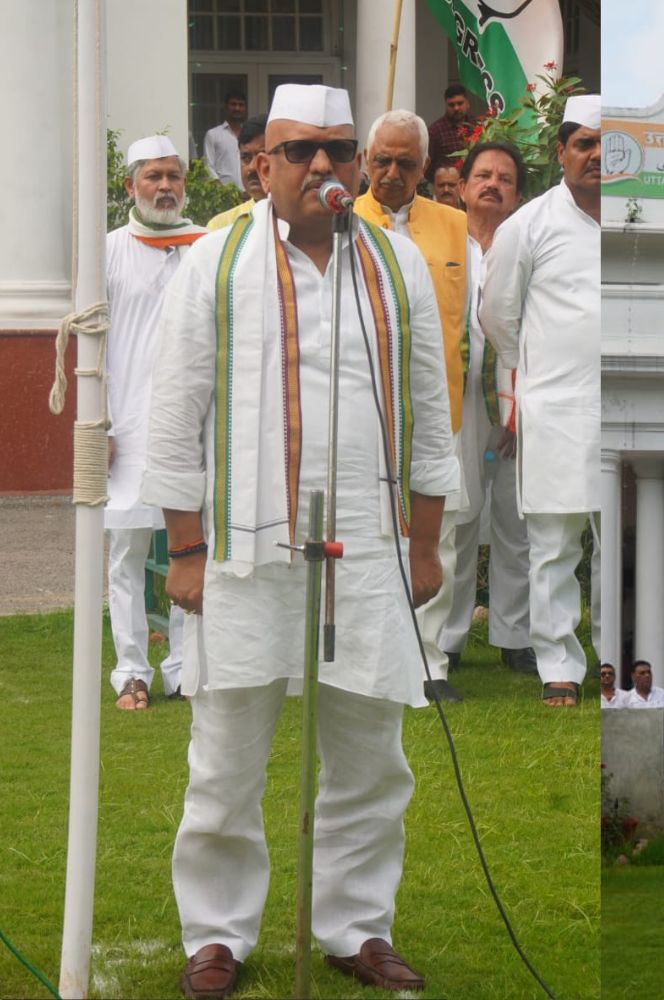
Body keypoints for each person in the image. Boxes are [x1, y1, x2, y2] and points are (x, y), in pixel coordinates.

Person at [146, 83, 455, 998]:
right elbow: (176, 410)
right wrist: (187, 548)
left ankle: (357, 927)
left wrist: (429, 543)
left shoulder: (395, 264)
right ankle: (216, 935)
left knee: (371, 752)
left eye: (339, 149)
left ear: (359, 163)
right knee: (227, 751)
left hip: (368, 546)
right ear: (263, 164)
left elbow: (430, 410)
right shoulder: (215, 258)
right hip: (245, 549)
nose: (323, 166)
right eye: (301, 151)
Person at [353, 108, 486, 704]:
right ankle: (367, 653)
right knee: (365, 529)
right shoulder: (341, 221)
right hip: (362, 406)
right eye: (381, 160)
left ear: (425, 167)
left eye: (405, 163)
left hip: (441, 406)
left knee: (443, 533)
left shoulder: (455, 227)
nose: (391, 172)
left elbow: (476, 322)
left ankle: (431, 663)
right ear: (363, 162)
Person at [479, 95, 600, 706]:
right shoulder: (528, 225)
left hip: (625, 410)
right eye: (584, 143)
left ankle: (611, 661)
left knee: (620, 537)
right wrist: (538, 377)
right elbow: (499, 314)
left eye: (610, 143)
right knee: (554, 542)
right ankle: (558, 665)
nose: (598, 154)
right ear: (561, 153)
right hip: (557, 406)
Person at [104, 135, 201, 710]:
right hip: (128, 427)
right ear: (130, 186)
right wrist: (100, 425)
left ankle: (185, 670)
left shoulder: (205, 246)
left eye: (173, 176)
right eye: (153, 177)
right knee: (126, 552)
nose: (165, 187)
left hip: (190, 426)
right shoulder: (109, 249)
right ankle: (130, 672)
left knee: (193, 544)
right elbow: (92, 343)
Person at [452, 140, 533, 675]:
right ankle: (450, 636)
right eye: (482, 174)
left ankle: (515, 635)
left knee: (516, 517)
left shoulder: (528, 242)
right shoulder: (440, 242)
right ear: (461, 186)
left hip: (517, 402)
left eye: (505, 178)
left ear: (518, 194)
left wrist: (521, 402)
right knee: (456, 517)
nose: (493, 184)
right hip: (457, 405)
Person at [205, 116, 269, 230]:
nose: (253, 167)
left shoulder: (301, 224)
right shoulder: (220, 226)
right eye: (246, 158)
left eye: (262, 157)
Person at [426, 84, 477, 177]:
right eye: (451, 105)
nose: (456, 108)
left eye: (460, 103)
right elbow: (427, 165)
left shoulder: (477, 126)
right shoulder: (435, 131)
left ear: (468, 104)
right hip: (448, 187)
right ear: (446, 105)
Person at [201, 90, 246, 187]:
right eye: (233, 104)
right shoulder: (213, 134)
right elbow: (208, 166)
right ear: (226, 107)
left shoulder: (248, 135)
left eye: (241, 105)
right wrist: (222, 192)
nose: (237, 108)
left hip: (248, 195)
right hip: (223, 197)